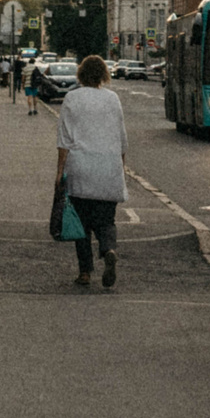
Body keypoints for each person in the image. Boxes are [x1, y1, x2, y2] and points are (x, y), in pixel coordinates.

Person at [54, 54, 126, 288]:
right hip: (108, 168)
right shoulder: (113, 99)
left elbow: (64, 139)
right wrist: (120, 168)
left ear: (81, 75)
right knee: (106, 220)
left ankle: (85, 272)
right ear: (103, 75)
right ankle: (109, 250)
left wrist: (59, 172)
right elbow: (122, 138)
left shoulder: (72, 98)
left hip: (81, 167)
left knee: (81, 223)